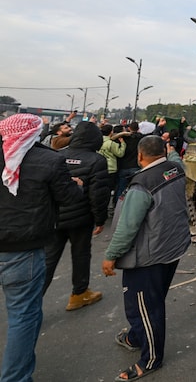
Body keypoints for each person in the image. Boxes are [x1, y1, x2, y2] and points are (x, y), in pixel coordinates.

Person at [0, 114, 85, 382]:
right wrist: (77, 186)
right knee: (23, 317)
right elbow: (68, 198)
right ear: (36, 133)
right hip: (23, 251)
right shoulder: (49, 160)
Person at [102, 136, 191, 382]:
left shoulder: (142, 184)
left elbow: (127, 227)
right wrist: (171, 149)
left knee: (143, 308)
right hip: (172, 249)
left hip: (149, 257)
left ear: (140, 156)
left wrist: (111, 256)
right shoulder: (175, 168)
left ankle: (150, 359)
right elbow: (173, 156)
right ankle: (135, 337)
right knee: (151, 301)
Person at [44, 121, 111, 310]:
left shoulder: (56, 155)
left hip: (55, 217)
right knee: (81, 255)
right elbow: (98, 194)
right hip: (81, 219)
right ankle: (79, 294)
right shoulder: (96, 160)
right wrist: (100, 219)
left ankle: (32, 298)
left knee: (49, 258)